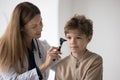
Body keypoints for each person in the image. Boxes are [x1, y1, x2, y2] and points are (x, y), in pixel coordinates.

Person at [0, 2, 60, 80]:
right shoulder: (4, 49)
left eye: (40, 22)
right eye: (34, 26)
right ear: (21, 28)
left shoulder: (43, 46)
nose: (40, 28)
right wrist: (45, 65)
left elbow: (61, 67)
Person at [55, 14, 103, 80]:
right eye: (69, 37)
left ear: (89, 38)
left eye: (78, 38)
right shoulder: (61, 65)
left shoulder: (95, 60)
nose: (72, 42)